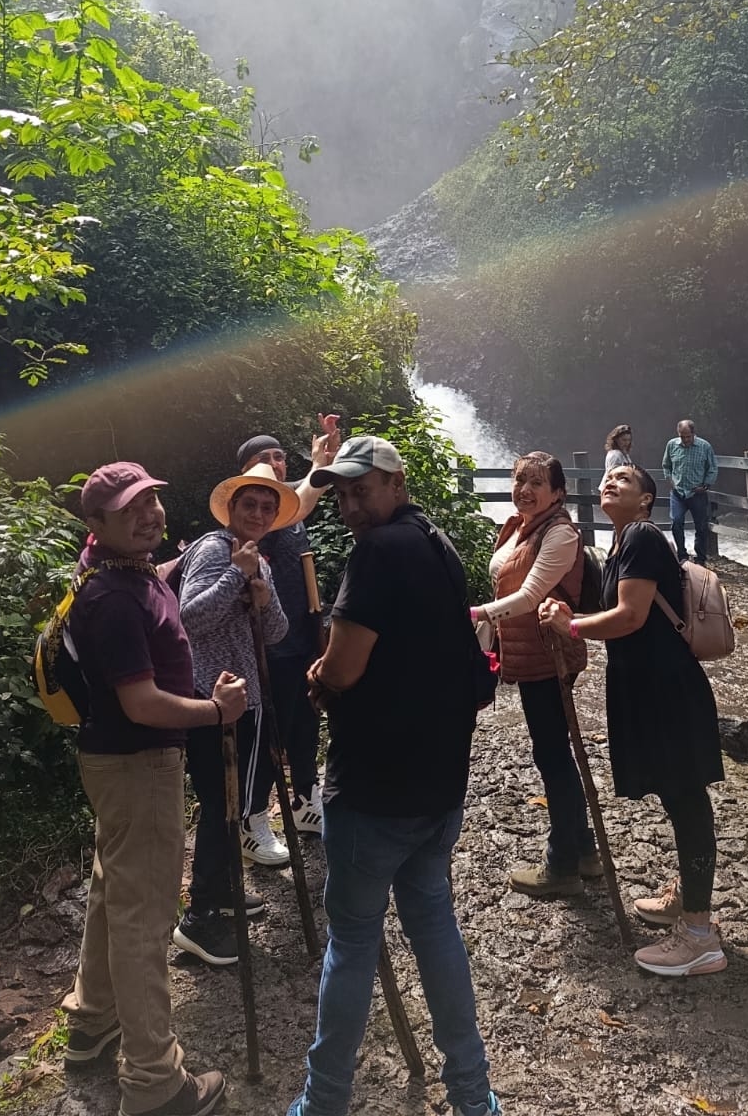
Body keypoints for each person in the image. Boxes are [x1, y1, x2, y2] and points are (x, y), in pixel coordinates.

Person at [285, 436, 501, 1116]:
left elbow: (345, 665)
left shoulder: (377, 552)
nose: (351, 505)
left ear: (396, 483)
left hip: (375, 788)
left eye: (362, 490)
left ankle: (324, 1102)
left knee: (352, 942)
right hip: (439, 783)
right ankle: (472, 1094)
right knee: (433, 925)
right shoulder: (438, 544)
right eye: (342, 495)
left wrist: (319, 677)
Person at [62, 461, 248, 1116]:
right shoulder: (113, 599)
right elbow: (141, 704)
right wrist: (216, 712)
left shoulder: (117, 570)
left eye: (151, 501)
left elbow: (154, 582)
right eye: (129, 509)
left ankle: (92, 1022)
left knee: (113, 894)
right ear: (96, 522)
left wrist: (194, 560)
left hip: (117, 766)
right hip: (139, 764)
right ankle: (153, 1082)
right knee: (145, 921)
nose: (148, 515)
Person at [540, 462, 726, 978]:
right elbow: (621, 615)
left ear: (646, 500)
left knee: (686, 798)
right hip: (649, 686)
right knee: (677, 794)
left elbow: (631, 616)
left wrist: (570, 627)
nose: (611, 482)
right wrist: (568, 614)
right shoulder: (621, 544)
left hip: (667, 688)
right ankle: (689, 897)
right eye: (609, 477)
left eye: (625, 479)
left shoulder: (641, 536)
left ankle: (699, 937)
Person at [173, 463, 299, 966]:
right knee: (222, 804)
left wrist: (263, 599)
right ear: (232, 508)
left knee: (234, 802)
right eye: (251, 504)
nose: (259, 514)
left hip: (246, 700)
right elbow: (190, 617)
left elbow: (277, 633)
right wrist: (235, 575)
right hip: (215, 700)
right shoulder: (214, 550)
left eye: (268, 507)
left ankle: (223, 892)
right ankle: (199, 916)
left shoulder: (258, 560)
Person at [469, 452, 599, 897]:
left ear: (558, 493)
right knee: (554, 751)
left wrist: (476, 614)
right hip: (527, 653)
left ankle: (561, 865)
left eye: (537, 483)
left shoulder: (560, 533)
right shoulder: (520, 526)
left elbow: (529, 596)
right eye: (520, 480)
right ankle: (584, 851)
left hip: (550, 655)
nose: (525, 490)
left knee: (553, 755)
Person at [234, 413, 339, 858]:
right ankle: (252, 819)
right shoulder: (257, 513)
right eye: (265, 458)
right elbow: (306, 496)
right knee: (264, 736)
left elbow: (305, 492)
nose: (276, 463)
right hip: (266, 646)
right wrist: (318, 467)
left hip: (300, 638)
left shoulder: (286, 503)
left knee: (304, 724)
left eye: (279, 456)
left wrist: (320, 462)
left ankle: (304, 803)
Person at [662, 419, 717, 563]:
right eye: (682, 436)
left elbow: (712, 468)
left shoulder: (705, 446)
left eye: (688, 436)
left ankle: (700, 558)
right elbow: (666, 465)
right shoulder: (671, 445)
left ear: (694, 434)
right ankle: (682, 555)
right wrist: (670, 480)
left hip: (696, 492)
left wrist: (706, 485)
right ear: (678, 434)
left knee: (701, 526)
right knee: (676, 522)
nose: (686, 440)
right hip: (678, 492)